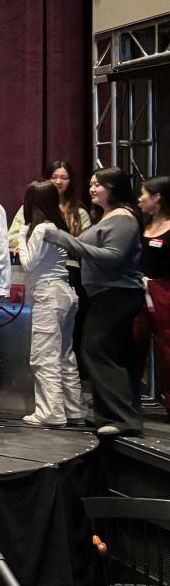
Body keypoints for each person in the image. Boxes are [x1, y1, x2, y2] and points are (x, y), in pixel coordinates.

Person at [44, 166, 145, 436]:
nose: (92, 188)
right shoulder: (107, 216)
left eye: (98, 184)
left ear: (113, 187)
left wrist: (65, 240)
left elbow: (113, 256)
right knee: (103, 352)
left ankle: (123, 419)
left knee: (99, 352)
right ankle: (108, 414)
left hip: (118, 293)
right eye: (90, 183)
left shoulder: (123, 219)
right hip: (106, 293)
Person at [20, 180, 86, 428]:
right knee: (64, 355)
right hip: (64, 293)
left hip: (48, 295)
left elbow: (29, 264)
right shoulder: (58, 226)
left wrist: (20, 241)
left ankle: (50, 412)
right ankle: (74, 409)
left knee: (43, 356)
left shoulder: (40, 230)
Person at [135, 177, 170, 418]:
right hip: (138, 290)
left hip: (165, 292)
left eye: (144, 194)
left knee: (167, 349)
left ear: (157, 197)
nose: (140, 199)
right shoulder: (140, 225)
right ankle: (128, 402)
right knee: (133, 345)